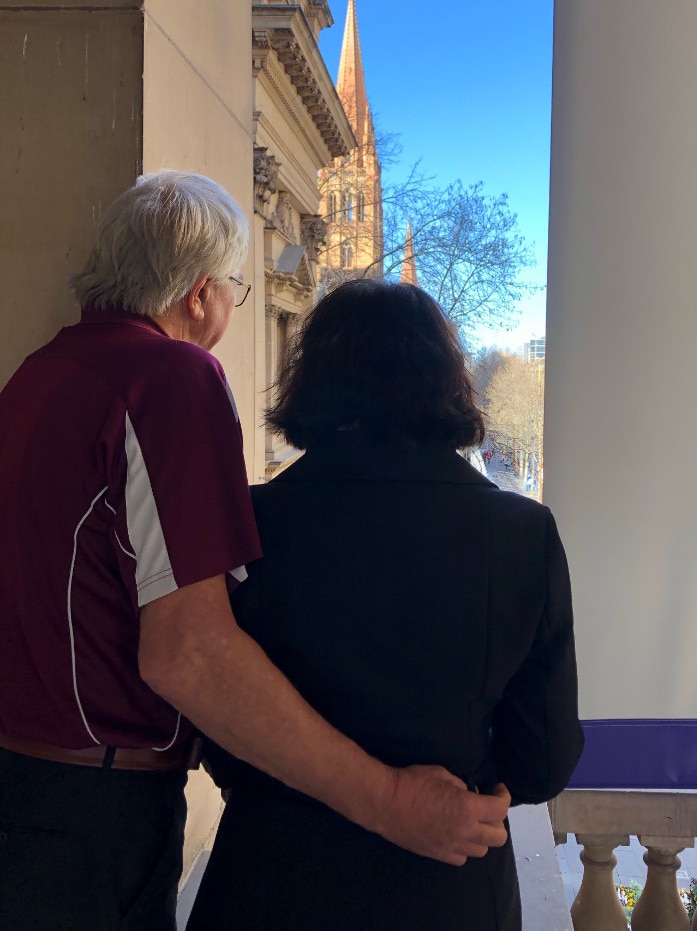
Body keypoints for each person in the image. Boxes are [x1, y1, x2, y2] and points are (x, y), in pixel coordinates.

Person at [0, 174, 510, 931]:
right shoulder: (168, 376)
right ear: (201, 292)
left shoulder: (36, 376)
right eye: (236, 291)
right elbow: (189, 653)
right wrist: (390, 801)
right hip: (91, 816)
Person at [187, 280, 584, 931]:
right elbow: (541, 763)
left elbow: (222, 737)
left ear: (312, 378)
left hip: (269, 879)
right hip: (445, 887)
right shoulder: (520, 533)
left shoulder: (251, 521)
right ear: (446, 381)